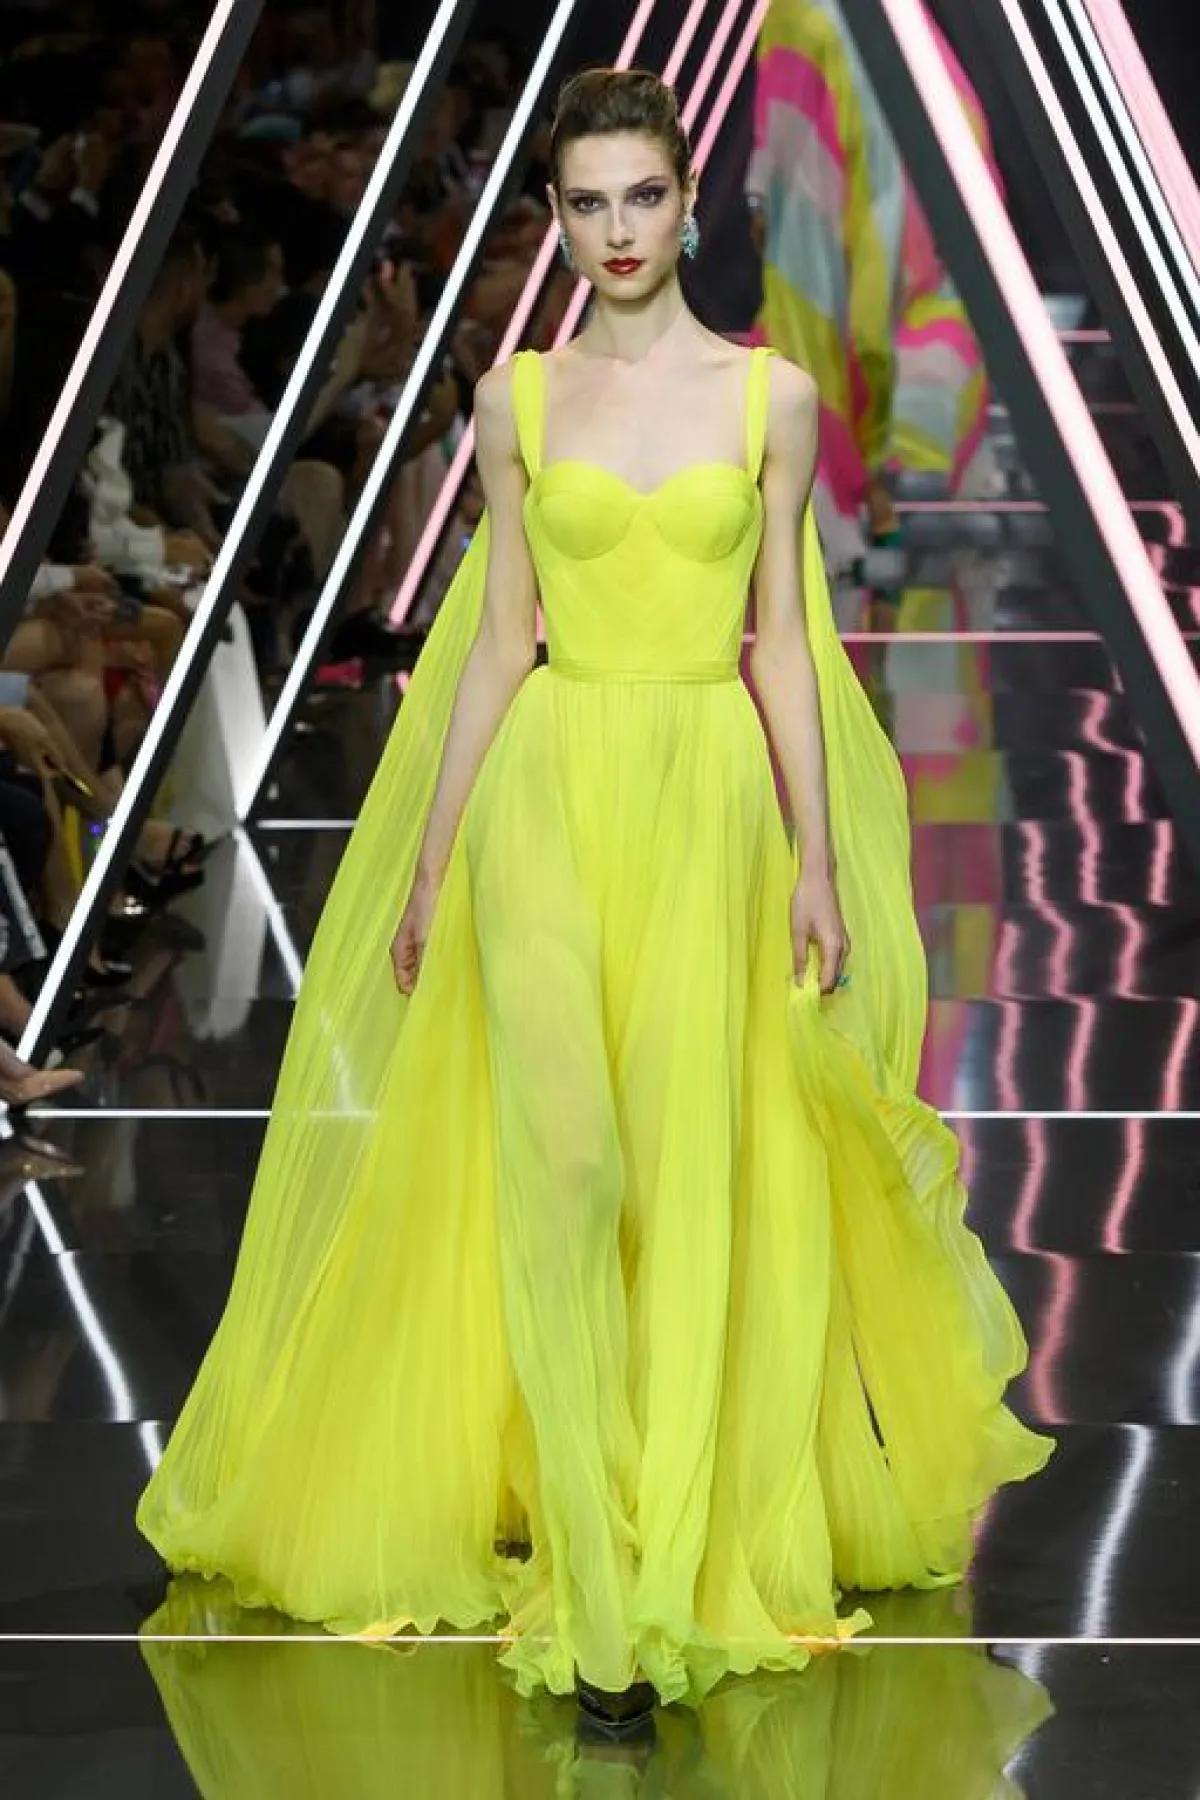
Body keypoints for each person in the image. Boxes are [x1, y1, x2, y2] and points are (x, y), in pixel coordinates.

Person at [136, 69, 1051, 1731]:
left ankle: (667, 1540)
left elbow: (786, 644)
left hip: (708, 800)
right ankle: (598, 1590)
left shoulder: (770, 400)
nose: (617, 229)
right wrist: (432, 858)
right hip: (546, 799)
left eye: (642, 196)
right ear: (554, 221)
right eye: (586, 202)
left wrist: (818, 858)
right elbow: (499, 640)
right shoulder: (516, 400)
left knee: (688, 1174)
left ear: (687, 203)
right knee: (565, 1168)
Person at [746, 0, 1000, 572]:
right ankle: (842, 498)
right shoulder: (802, 14)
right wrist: (762, 191)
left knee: (857, 332)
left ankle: (860, 489)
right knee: (829, 335)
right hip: (823, 200)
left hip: (864, 195)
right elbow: (781, 107)